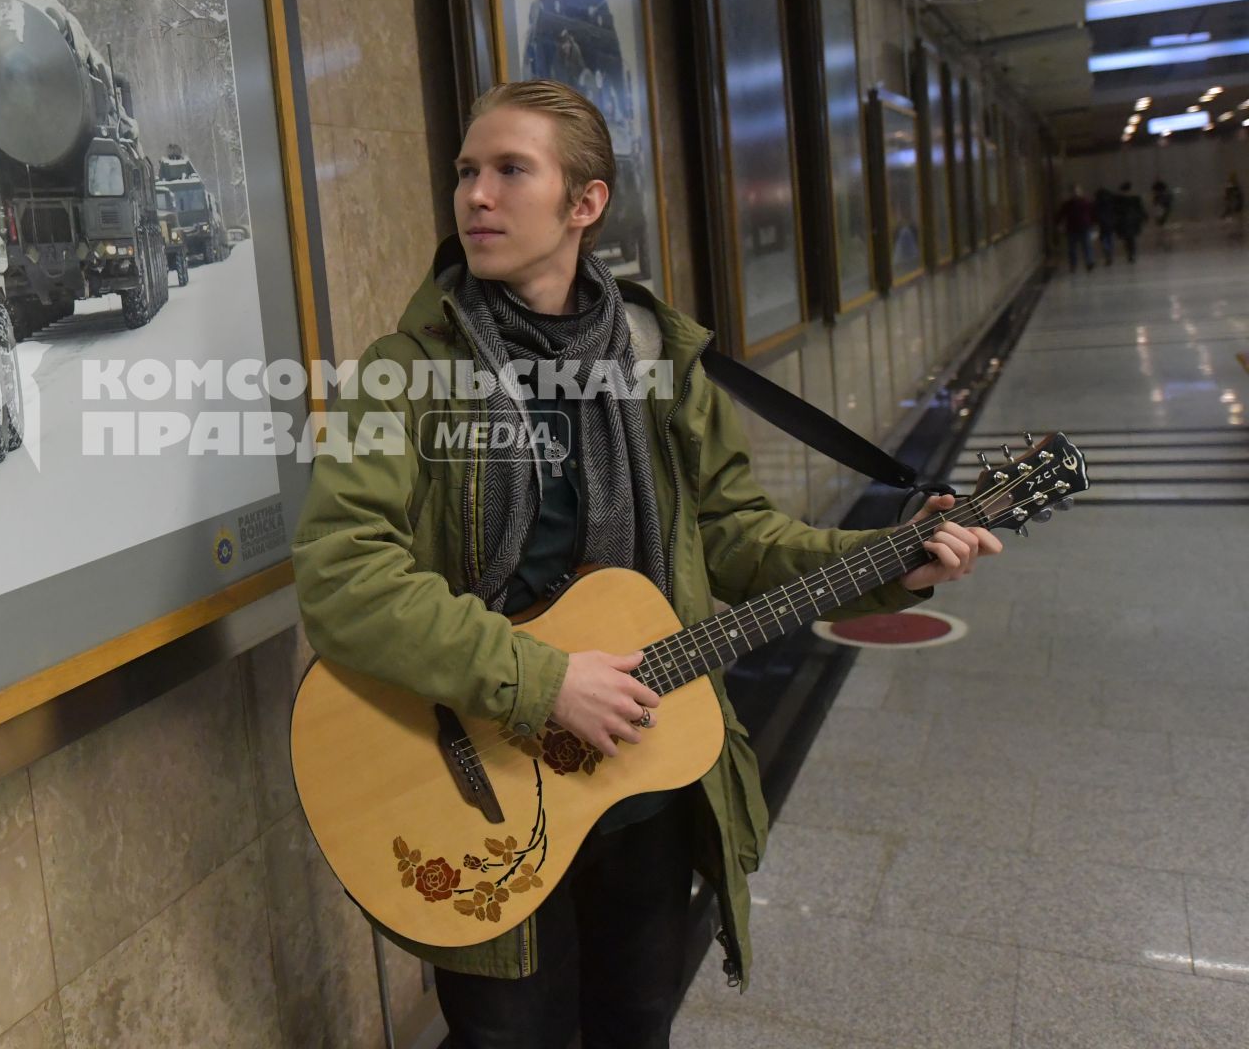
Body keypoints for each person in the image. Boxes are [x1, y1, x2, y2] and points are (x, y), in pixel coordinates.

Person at [291, 79, 1001, 1049]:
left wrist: (892, 559)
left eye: (510, 170)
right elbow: (343, 572)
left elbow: (738, 534)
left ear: (584, 203)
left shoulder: (656, 357)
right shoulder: (404, 371)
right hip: (478, 785)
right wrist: (543, 679)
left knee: (635, 1025)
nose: (476, 196)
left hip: (643, 780)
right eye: (466, 171)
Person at [1056, 184, 1097, 271]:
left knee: (1087, 246)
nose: (1076, 193)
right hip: (1072, 229)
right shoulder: (1067, 204)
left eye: (1077, 191)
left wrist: (1093, 225)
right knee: (1072, 249)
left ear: (1081, 192)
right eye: (1074, 192)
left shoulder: (1086, 202)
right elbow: (1060, 214)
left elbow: (1093, 214)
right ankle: (1073, 265)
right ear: (1071, 193)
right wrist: (1059, 224)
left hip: (1084, 227)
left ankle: (1089, 262)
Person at [1115, 182, 1147, 262]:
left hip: (1125, 223)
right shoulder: (1135, 199)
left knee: (1128, 239)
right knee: (1131, 239)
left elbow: (1116, 211)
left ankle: (1130, 254)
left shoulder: (1119, 200)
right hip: (1132, 222)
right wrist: (1143, 217)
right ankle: (1131, 254)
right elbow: (1140, 209)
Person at [1092, 184, 1119, 265]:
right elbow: (1114, 211)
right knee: (1110, 239)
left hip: (1102, 224)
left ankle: (1107, 253)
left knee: (1104, 240)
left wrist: (1095, 221)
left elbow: (1095, 213)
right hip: (1110, 223)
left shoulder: (1097, 203)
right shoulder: (1111, 201)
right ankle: (1109, 253)